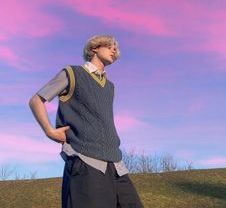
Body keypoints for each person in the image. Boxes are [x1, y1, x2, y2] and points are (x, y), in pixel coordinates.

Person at [29, 35, 144, 208]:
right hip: (85, 160)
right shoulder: (72, 73)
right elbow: (36, 100)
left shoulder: (110, 86)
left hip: (116, 164)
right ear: (94, 48)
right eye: (109, 45)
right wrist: (49, 130)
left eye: (116, 48)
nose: (114, 50)